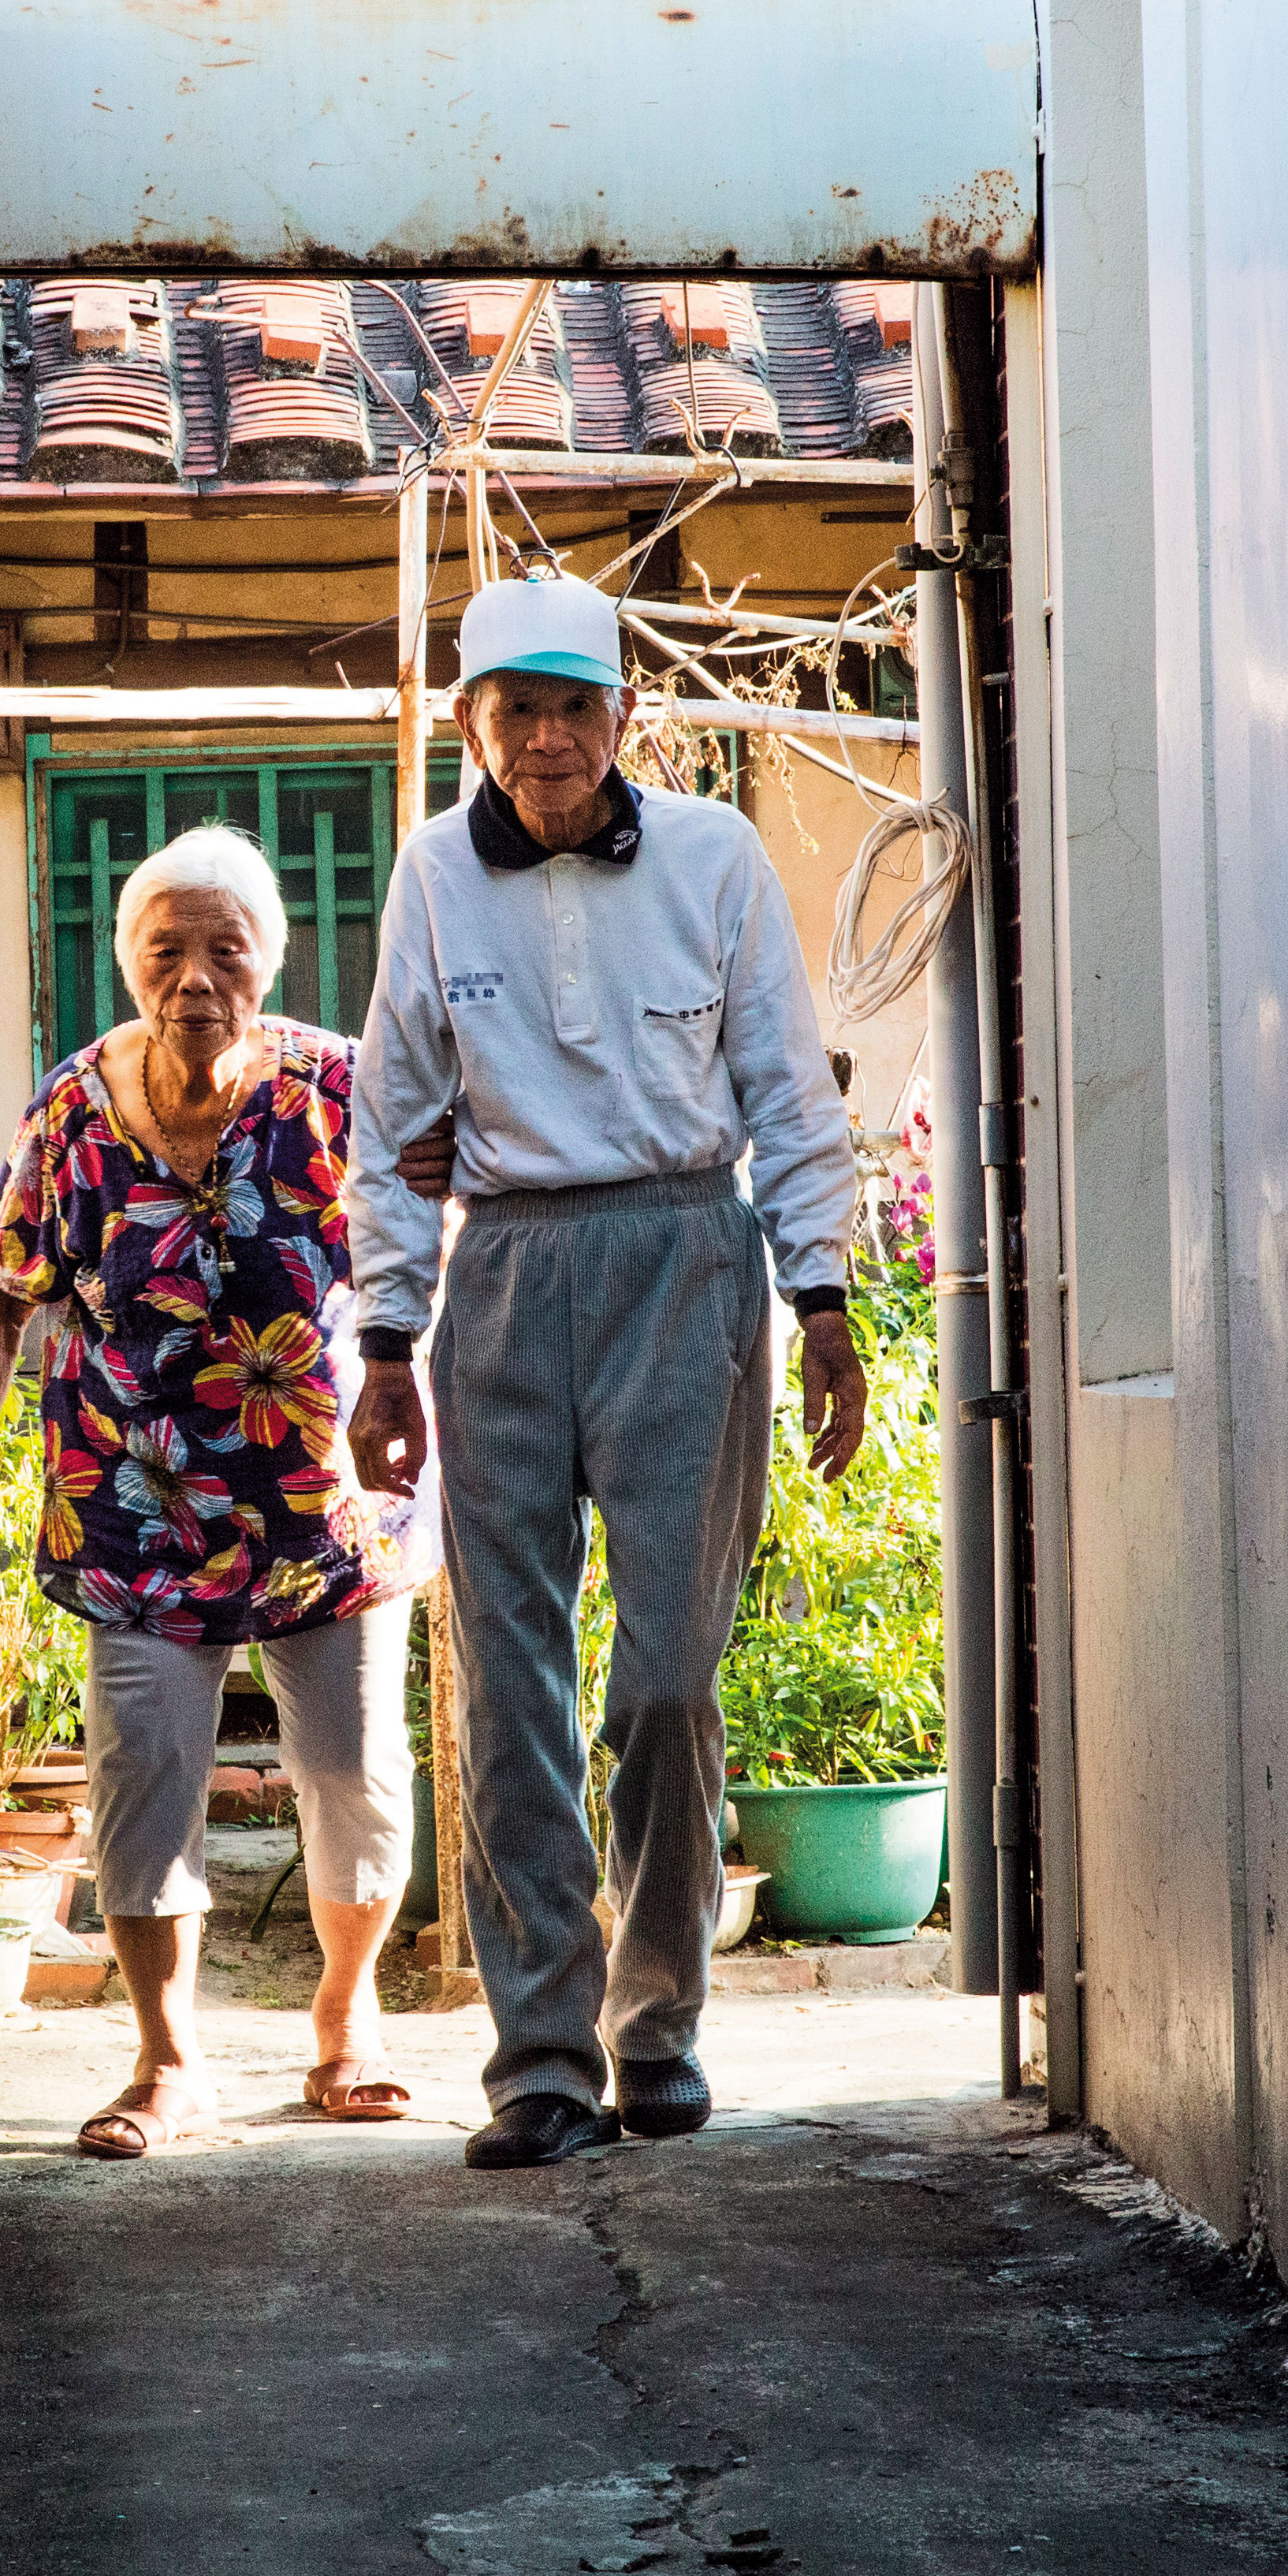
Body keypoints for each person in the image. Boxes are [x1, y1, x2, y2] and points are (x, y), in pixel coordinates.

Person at [342, 566, 869, 2172]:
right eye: (520, 710)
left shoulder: (712, 858)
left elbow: (786, 1081)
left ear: (627, 716)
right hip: (502, 1273)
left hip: (685, 1263)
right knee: (508, 1683)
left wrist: (826, 1294)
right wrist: (382, 1339)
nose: (553, 739)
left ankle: (660, 2023)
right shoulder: (435, 874)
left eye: (580, 706)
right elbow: (388, 1120)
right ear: (472, 724)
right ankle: (545, 2059)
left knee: (665, 1678)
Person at [0, 825, 454, 2160]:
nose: (198, 979)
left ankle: (346, 2023)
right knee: (143, 1770)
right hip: (132, 1503)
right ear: (127, 965)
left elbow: (443, 1254)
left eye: (228, 950)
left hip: (327, 1503)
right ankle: (167, 2061)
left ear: (269, 962)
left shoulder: (342, 1089)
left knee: (352, 1771)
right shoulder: (72, 1107)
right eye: (167, 951)